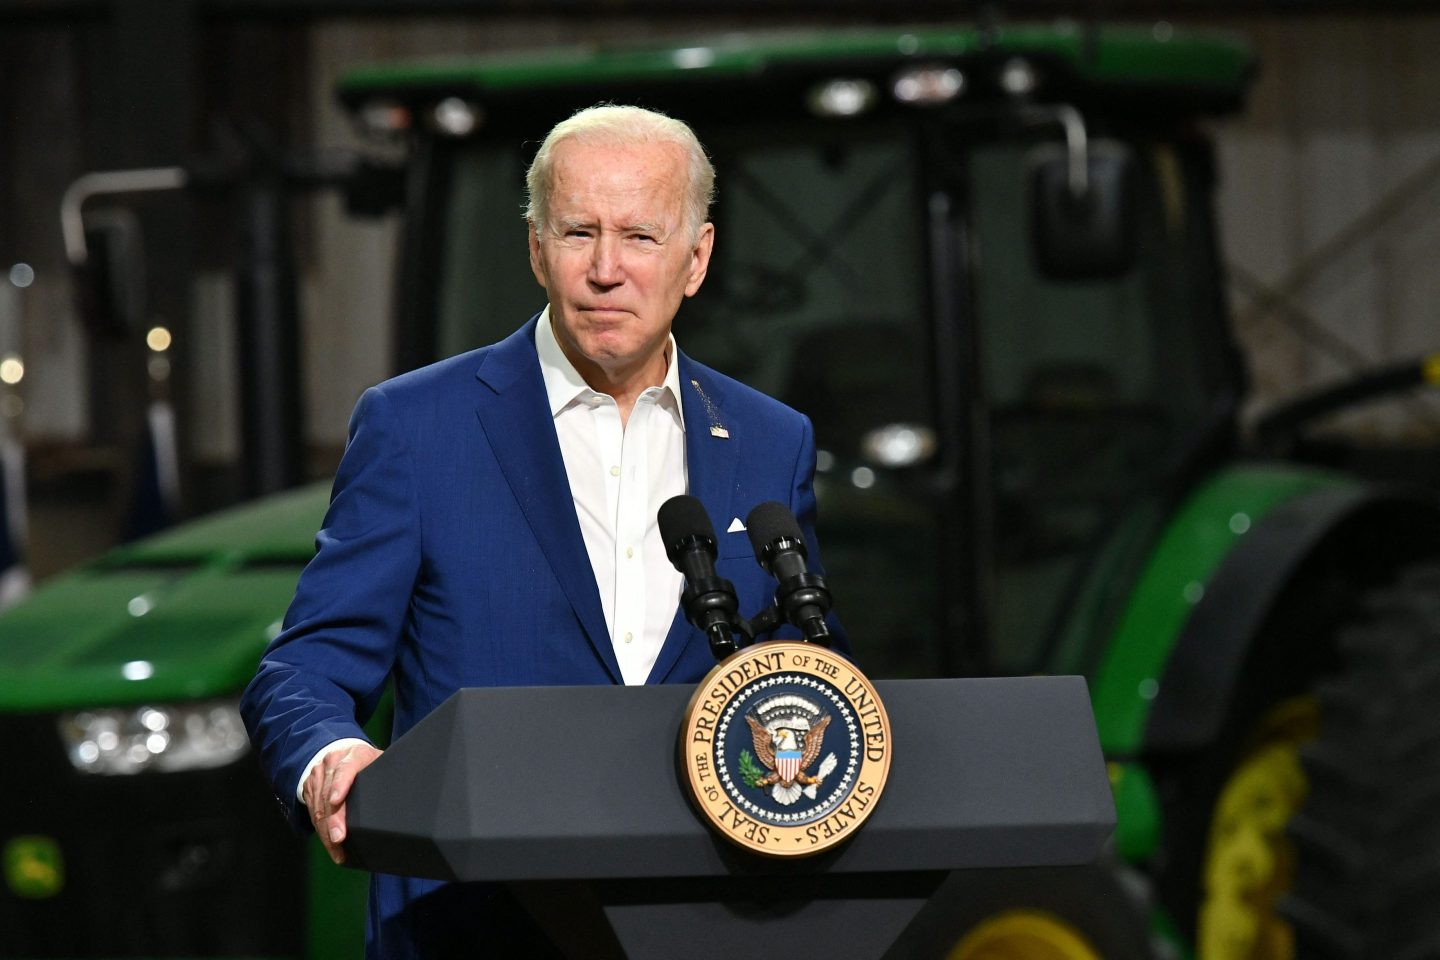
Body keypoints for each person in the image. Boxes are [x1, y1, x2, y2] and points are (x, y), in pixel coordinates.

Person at [240, 104, 843, 958]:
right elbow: (302, 669)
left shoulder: (769, 439)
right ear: (534, 249)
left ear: (696, 258)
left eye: (639, 235)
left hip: (713, 922)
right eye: (577, 233)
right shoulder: (418, 428)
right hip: (470, 927)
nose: (606, 269)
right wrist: (332, 757)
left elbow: (819, 673)